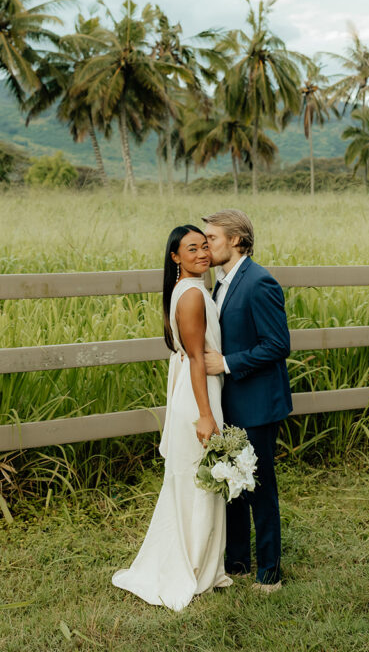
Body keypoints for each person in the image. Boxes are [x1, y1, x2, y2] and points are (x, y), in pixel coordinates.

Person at [112, 224, 232, 611]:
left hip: (193, 391)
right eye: (191, 249)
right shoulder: (194, 294)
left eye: (204, 246)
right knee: (199, 481)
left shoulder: (185, 288)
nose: (202, 254)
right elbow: (197, 358)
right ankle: (193, 567)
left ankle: (203, 564)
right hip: (198, 398)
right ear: (175, 257)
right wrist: (205, 415)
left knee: (196, 480)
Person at [202, 209, 292, 592]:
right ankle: (237, 562)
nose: (206, 245)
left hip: (257, 402)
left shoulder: (259, 283)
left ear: (236, 240)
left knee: (259, 486)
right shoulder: (220, 283)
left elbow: (277, 345)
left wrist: (225, 363)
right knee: (232, 484)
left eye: (212, 239)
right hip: (231, 402)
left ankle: (269, 571)